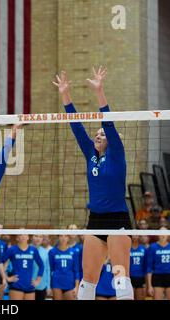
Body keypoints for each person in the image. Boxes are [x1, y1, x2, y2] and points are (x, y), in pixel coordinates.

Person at [53, 67, 133, 300]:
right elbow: (77, 127)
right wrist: (65, 96)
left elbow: (108, 123)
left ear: (111, 140)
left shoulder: (117, 153)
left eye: (102, 135)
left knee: (120, 278)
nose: (98, 136)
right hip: (95, 220)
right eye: (96, 134)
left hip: (117, 220)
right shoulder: (91, 155)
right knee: (88, 284)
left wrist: (99, 91)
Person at [0, 231, 44, 300]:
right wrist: (6, 278)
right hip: (16, 286)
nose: (23, 236)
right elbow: (0, 262)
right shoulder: (12, 249)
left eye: (25, 234)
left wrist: (38, 280)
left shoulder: (33, 250)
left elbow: (41, 265)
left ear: (28, 237)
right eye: (20, 234)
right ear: (17, 238)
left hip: (30, 286)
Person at [49, 235, 80, 300]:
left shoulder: (74, 252)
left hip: (69, 283)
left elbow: (76, 270)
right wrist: (49, 286)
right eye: (61, 236)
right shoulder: (52, 251)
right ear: (58, 237)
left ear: (69, 238)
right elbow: (50, 270)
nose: (63, 238)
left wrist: (77, 286)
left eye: (65, 236)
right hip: (56, 282)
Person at [146, 227, 170, 300]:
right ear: (157, 235)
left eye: (165, 234)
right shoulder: (152, 247)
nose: (163, 236)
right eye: (161, 234)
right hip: (157, 276)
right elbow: (149, 267)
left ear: (168, 235)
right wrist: (149, 286)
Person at [31, 235, 51, 300]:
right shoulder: (26, 249)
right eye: (36, 236)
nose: (38, 239)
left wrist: (48, 286)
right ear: (31, 237)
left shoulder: (45, 252)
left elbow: (47, 270)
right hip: (28, 285)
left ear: (42, 239)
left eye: (40, 237)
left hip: (41, 286)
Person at [130, 235, 147, 300]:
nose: (135, 237)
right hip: (130, 276)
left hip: (140, 277)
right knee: (130, 297)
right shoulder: (127, 248)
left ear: (139, 237)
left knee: (140, 297)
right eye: (133, 235)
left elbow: (146, 265)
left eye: (136, 235)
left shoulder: (143, 249)